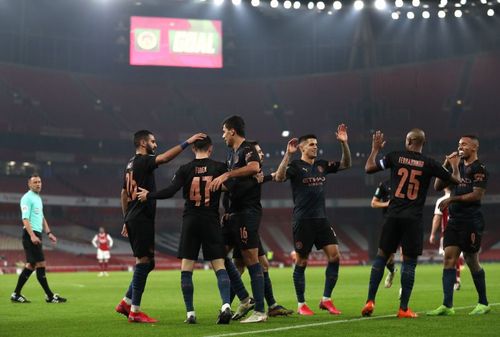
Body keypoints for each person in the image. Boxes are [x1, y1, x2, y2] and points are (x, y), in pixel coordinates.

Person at [361, 129, 460, 319]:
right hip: (413, 219)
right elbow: (455, 180)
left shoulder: (395, 156)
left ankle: (370, 300)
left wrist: (374, 149)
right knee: (409, 263)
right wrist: (454, 165)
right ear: (422, 142)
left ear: (409, 141)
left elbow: (369, 168)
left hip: (392, 216)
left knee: (381, 257)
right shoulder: (430, 163)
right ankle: (403, 308)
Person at [136, 136, 233, 325]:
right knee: (219, 266)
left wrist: (149, 195)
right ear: (211, 149)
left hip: (191, 221)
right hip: (211, 220)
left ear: (192, 149)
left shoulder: (185, 169)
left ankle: (190, 313)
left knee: (186, 269)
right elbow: (233, 188)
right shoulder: (220, 168)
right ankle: (226, 305)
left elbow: (170, 191)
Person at [115, 130, 205, 323]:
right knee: (143, 262)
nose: (155, 145)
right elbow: (163, 159)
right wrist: (187, 142)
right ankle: (135, 311)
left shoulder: (130, 164)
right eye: (152, 142)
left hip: (133, 217)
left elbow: (123, 193)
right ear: (142, 143)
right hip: (141, 218)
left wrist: (126, 218)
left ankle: (126, 302)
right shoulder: (143, 160)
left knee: (149, 262)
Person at [274, 124, 352, 316]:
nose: (315, 147)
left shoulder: (322, 165)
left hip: (321, 220)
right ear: (301, 147)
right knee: (301, 262)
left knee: (335, 256)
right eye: (311, 144)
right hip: (303, 221)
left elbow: (346, 164)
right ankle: (301, 304)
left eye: (316, 144)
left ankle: (326, 300)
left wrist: (344, 144)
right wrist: (288, 155)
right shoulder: (294, 167)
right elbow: (278, 177)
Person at [209, 115, 267, 323]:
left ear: (232, 131)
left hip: (247, 213)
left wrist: (227, 175)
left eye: (224, 131)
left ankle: (260, 310)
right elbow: (232, 184)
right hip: (231, 215)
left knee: (252, 260)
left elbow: (254, 168)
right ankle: (244, 298)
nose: (223, 135)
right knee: (218, 254)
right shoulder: (231, 154)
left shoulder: (248, 149)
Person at [427, 135, 491, 316]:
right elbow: (438, 186)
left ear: (474, 147)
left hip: (471, 221)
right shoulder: (458, 167)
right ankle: (447, 305)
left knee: (471, 261)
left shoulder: (480, 169)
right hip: (454, 221)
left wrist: (452, 198)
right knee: (448, 260)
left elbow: (477, 195)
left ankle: (483, 302)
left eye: (464, 144)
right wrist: (447, 164)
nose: (460, 147)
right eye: (459, 144)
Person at [229, 141, 293, 318]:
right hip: (242, 221)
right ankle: (231, 305)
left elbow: (279, 176)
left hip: (249, 223)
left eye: (262, 152)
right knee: (241, 266)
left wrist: (288, 154)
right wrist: (228, 212)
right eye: (258, 152)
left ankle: (270, 305)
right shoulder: (244, 177)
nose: (262, 155)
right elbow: (230, 194)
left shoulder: (257, 177)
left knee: (258, 265)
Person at [10, 174, 67, 304]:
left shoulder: (38, 198)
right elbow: (25, 218)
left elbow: (41, 217)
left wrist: (49, 232)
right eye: (35, 182)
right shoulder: (26, 198)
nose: (38, 184)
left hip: (37, 233)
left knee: (31, 265)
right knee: (41, 263)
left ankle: (16, 294)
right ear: (29, 184)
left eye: (39, 182)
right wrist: (32, 235)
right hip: (30, 234)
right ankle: (50, 295)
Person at [429, 187, 463, 291]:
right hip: (461, 232)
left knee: (448, 260)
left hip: (447, 234)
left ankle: (454, 282)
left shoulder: (441, 200)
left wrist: (433, 234)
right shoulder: (460, 198)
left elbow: (437, 218)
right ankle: (457, 279)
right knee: (461, 258)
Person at [371, 180, 398, 289]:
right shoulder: (384, 185)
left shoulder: (406, 182)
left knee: (407, 257)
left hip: (407, 222)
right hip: (389, 224)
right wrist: (387, 204)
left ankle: (404, 290)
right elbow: (373, 203)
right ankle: (392, 271)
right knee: (388, 259)